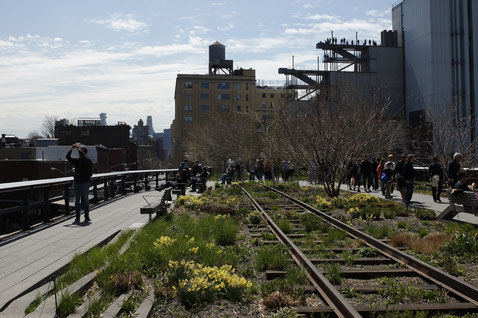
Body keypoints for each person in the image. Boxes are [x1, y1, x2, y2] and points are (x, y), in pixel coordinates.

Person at [66, 143, 93, 223]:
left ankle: (86, 216)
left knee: (85, 200)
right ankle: (77, 217)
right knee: (77, 201)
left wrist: (78, 149)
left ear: (84, 153)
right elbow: (68, 157)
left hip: (84, 182)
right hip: (77, 183)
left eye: (81, 152)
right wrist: (72, 148)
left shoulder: (88, 161)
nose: (79, 154)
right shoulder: (77, 161)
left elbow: (84, 158)